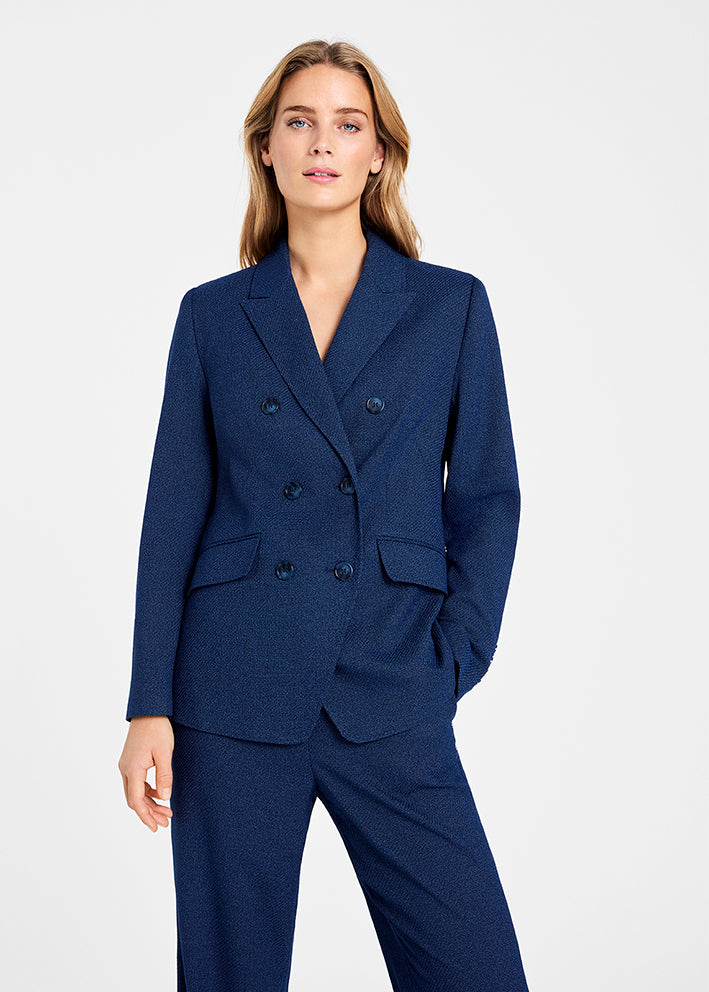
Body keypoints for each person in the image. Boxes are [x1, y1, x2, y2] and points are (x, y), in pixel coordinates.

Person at [118, 38, 531, 992]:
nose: (321, 144)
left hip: (392, 679)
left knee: (474, 967)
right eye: (299, 122)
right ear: (265, 147)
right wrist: (148, 701)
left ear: (379, 153)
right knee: (229, 974)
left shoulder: (448, 307)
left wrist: (453, 658)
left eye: (348, 125)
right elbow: (172, 512)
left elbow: (486, 497)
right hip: (232, 685)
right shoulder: (214, 315)